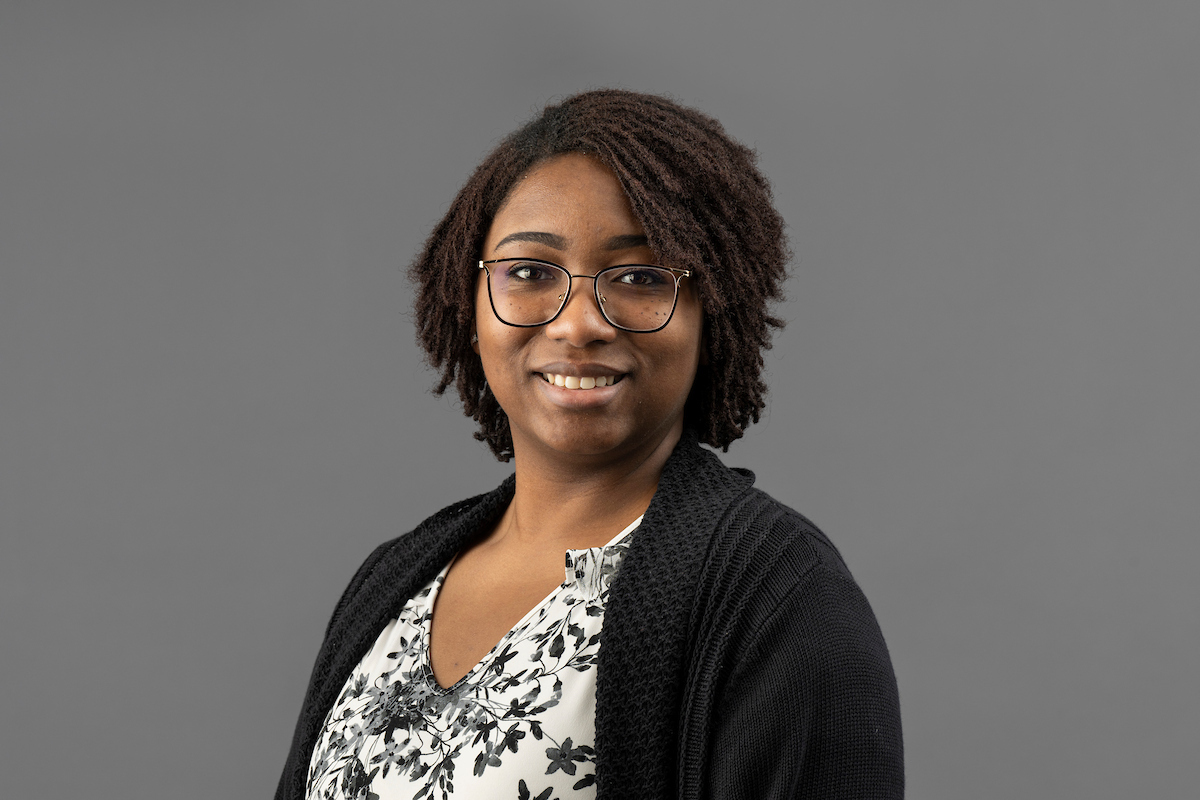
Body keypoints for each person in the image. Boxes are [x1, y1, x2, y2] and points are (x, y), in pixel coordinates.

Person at [276, 89, 903, 800]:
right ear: (469, 299)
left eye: (639, 277)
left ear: (713, 308)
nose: (578, 325)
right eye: (530, 273)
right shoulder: (394, 581)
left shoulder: (778, 596)